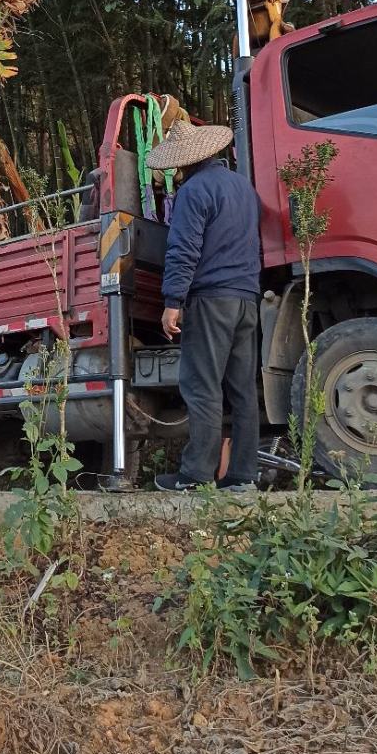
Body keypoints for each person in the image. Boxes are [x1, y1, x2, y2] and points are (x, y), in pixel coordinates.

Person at [145, 120, 261, 492]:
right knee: (242, 390)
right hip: (247, 298)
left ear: (184, 163)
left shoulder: (193, 192)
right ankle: (243, 476)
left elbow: (183, 250)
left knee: (201, 386)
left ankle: (195, 475)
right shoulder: (243, 186)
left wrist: (172, 301)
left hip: (211, 300)